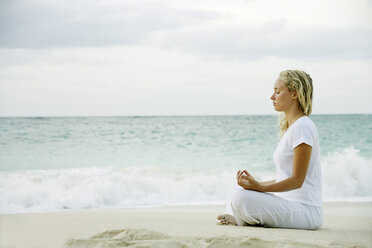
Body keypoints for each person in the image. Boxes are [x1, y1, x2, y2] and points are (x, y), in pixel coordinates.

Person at [217, 70, 322, 230]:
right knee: (239, 189)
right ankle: (240, 218)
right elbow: (283, 178)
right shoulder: (292, 128)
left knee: (241, 198)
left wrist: (260, 188)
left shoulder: (303, 126)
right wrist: (255, 185)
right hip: (289, 204)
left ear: (294, 94)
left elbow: (297, 180)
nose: (272, 97)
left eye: (277, 92)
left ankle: (240, 219)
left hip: (305, 211)